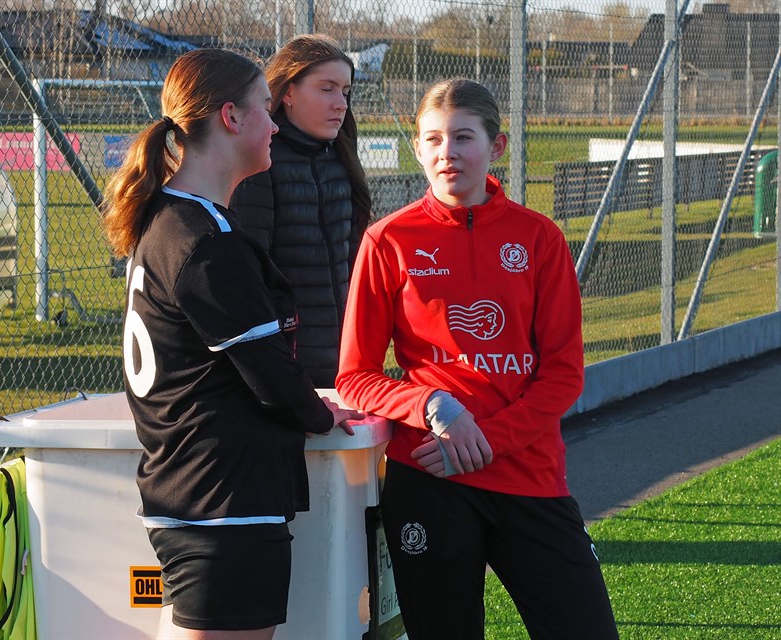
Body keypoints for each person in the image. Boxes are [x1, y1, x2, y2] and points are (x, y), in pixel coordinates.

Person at [336, 78, 619, 639]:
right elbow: (355, 377)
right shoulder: (388, 240)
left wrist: (485, 439)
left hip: (528, 475)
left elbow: (563, 375)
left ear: (497, 146)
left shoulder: (538, 239)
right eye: (433, 139)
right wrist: (432, 405)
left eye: (463, 137)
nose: (448, 153)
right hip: (429, 476)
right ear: (418, 149)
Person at [102, 48, 362, 640]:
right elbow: (269, 374)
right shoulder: (204, 239)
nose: (274, 126)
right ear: (230, 117)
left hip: (198, 494)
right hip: (222, 500)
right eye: (265, 109)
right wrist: (321, 412)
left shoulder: (173, 219)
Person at [229, 33, 372, 388]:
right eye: (327, 89)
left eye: (345, 91)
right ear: (288, 93)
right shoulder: (260, 164)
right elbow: (250, 276)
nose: (340, 104)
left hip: (346, 363)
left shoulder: (341, 160)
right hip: (284, 369)